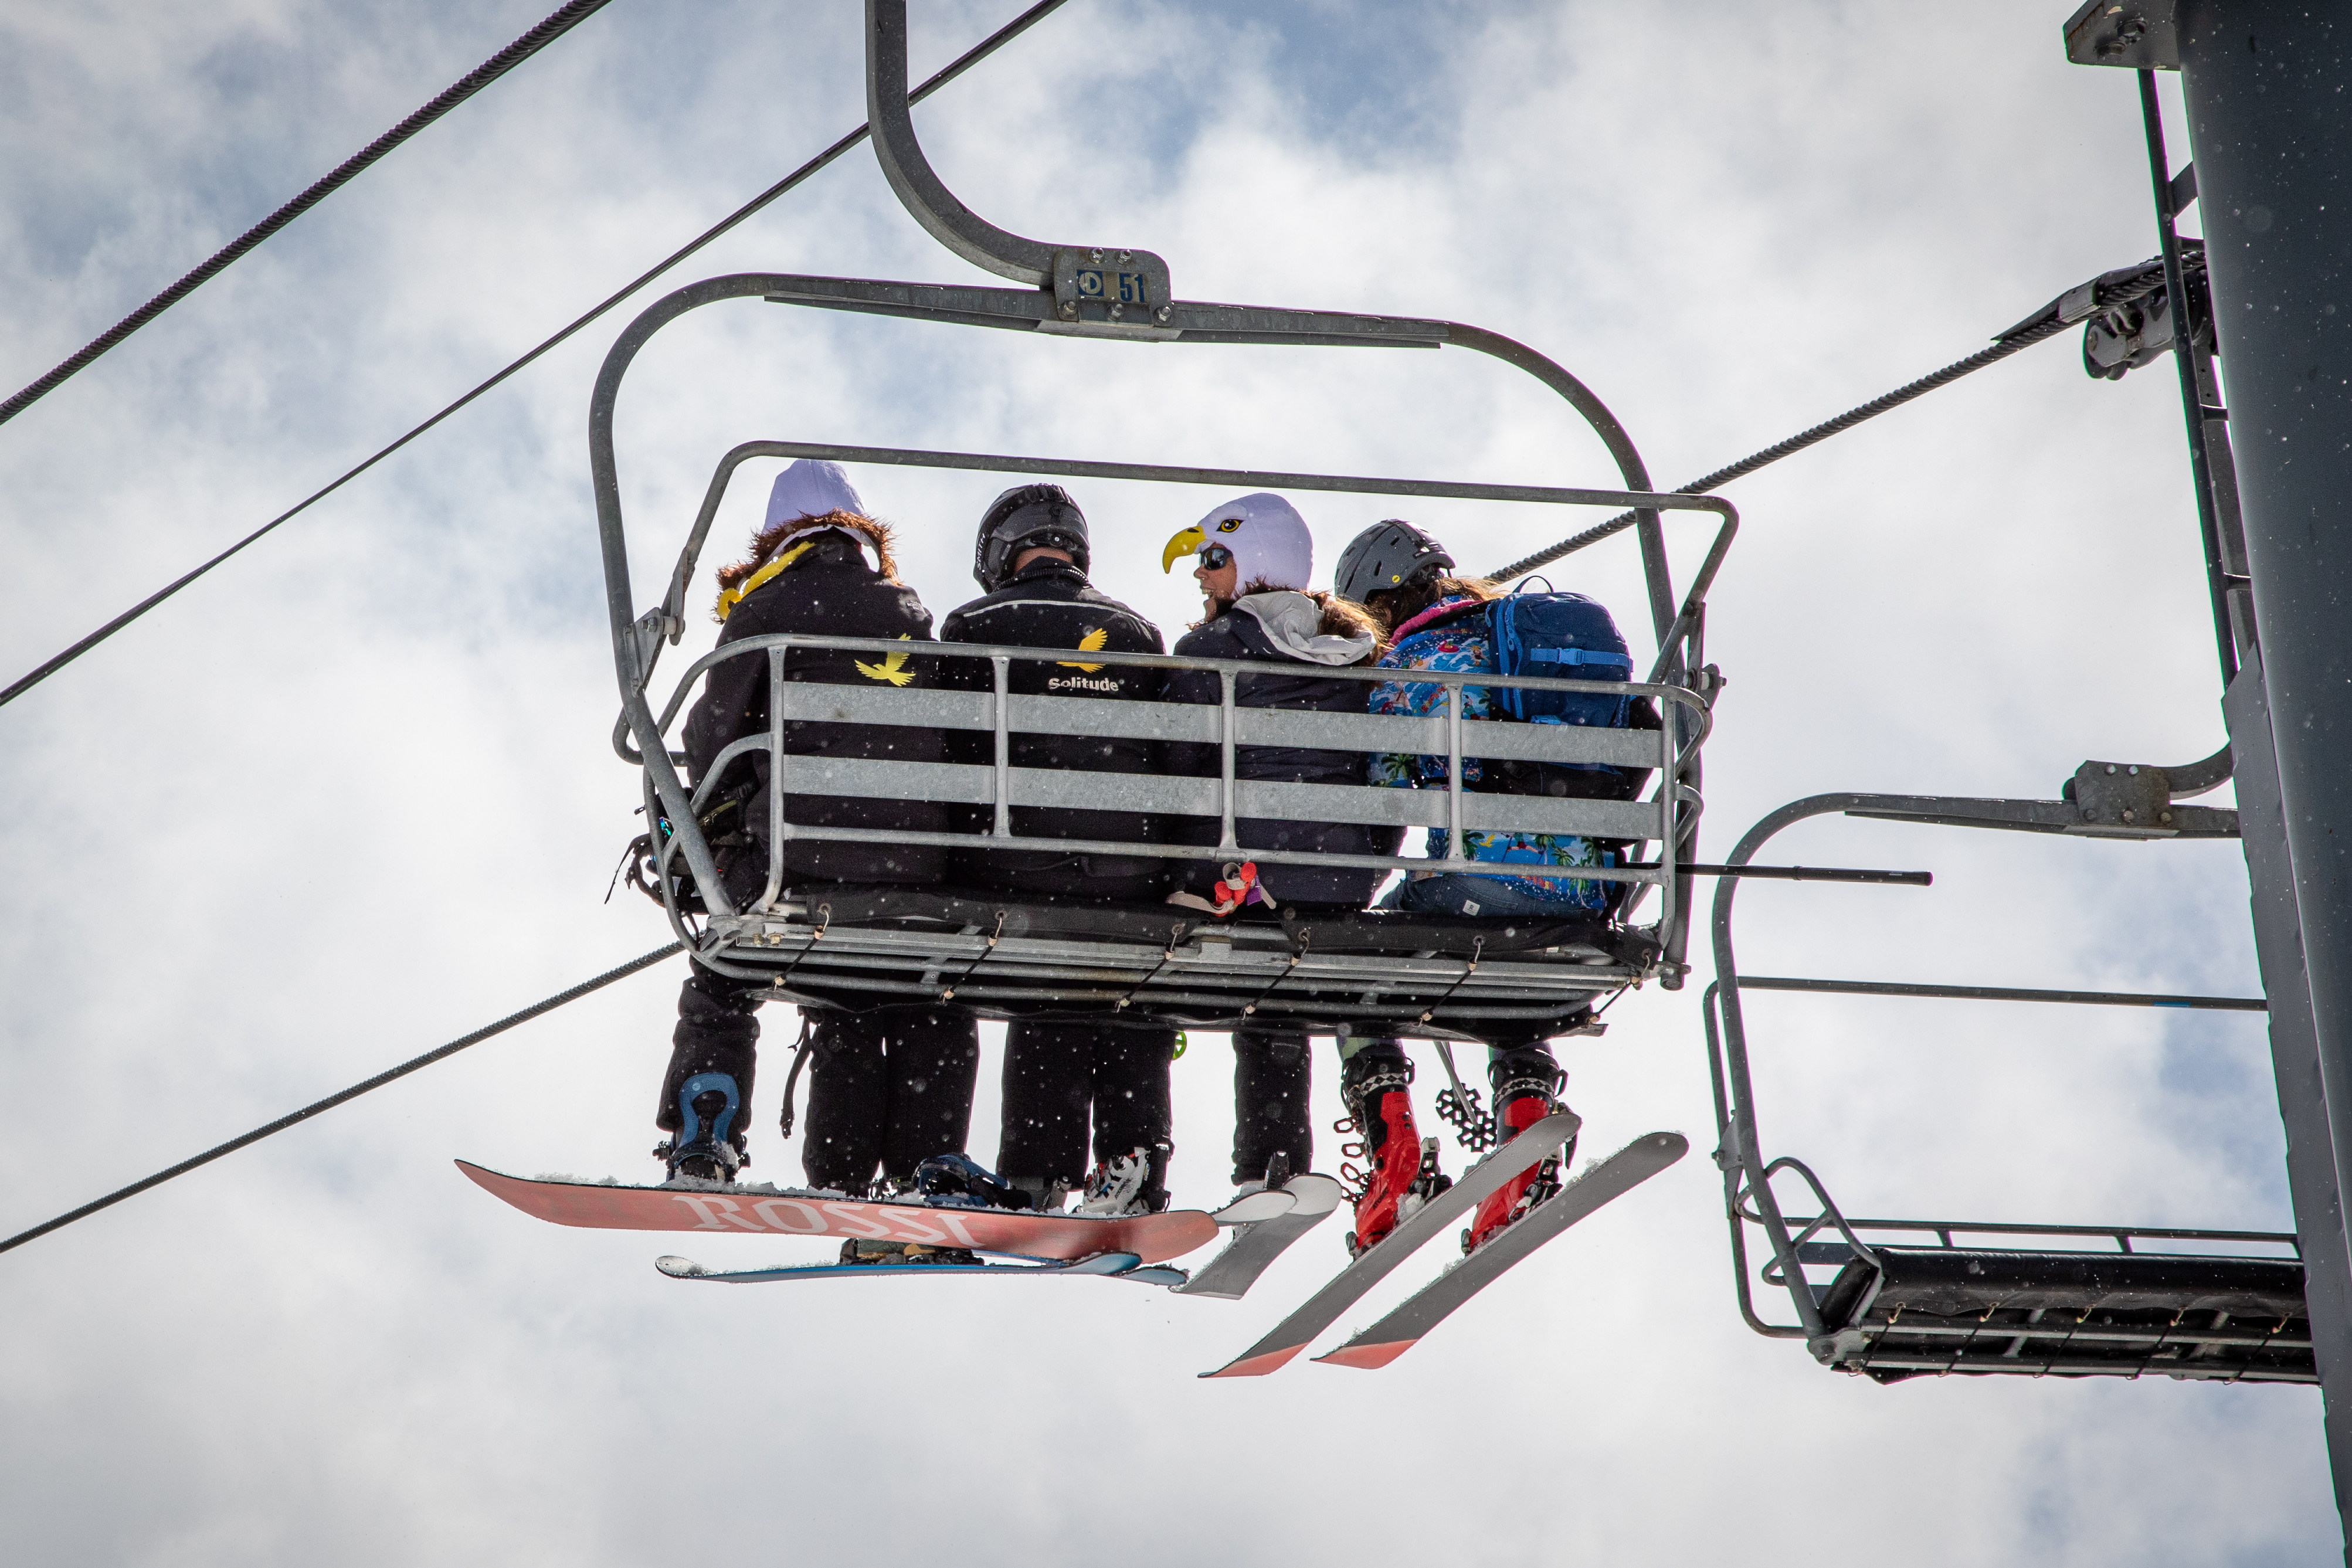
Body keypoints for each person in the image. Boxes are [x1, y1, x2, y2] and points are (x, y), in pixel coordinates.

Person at [1326, 518, 1658, 1256]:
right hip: (1585, 897)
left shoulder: (1418, 662)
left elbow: (1381, 785)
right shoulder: (1535, 645)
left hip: (1478, 889)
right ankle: (1525, 1118)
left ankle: (1394, 1158)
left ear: (1378, 601)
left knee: (1348, 979)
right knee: (1517, 986)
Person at [651, 459, 979, 1195]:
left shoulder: (767, 607)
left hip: (798, 865)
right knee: (884, 992)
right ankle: (922, 1166)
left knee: (725, 967)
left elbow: (713, 740)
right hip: (911, 869)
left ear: (776, 535)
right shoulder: (909, 610)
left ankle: (706, 1135)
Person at [938, 484, 1178, 1216]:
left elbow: (947, 743)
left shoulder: (978, 624)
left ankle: (1040, 1171)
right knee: (1126, 986)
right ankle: (1136, 1164)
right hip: (1129, 870)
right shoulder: (1136, 633)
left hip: (1016, 863)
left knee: (1046, 983)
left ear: (999, 555)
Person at [1158, 493, 1397, 1196]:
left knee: (1263, 996)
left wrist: (1193, 873)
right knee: (1287, 990)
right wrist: (1364, 868)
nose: (1202, 578)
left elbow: (1180, 777)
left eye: (1213, 559)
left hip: (1250, 879)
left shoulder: (1211, 652)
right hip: (1341, 878)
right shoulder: (1359, 654)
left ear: (1253, 562)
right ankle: (1297, 1162)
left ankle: (1270, 1166)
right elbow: (1385, 781)